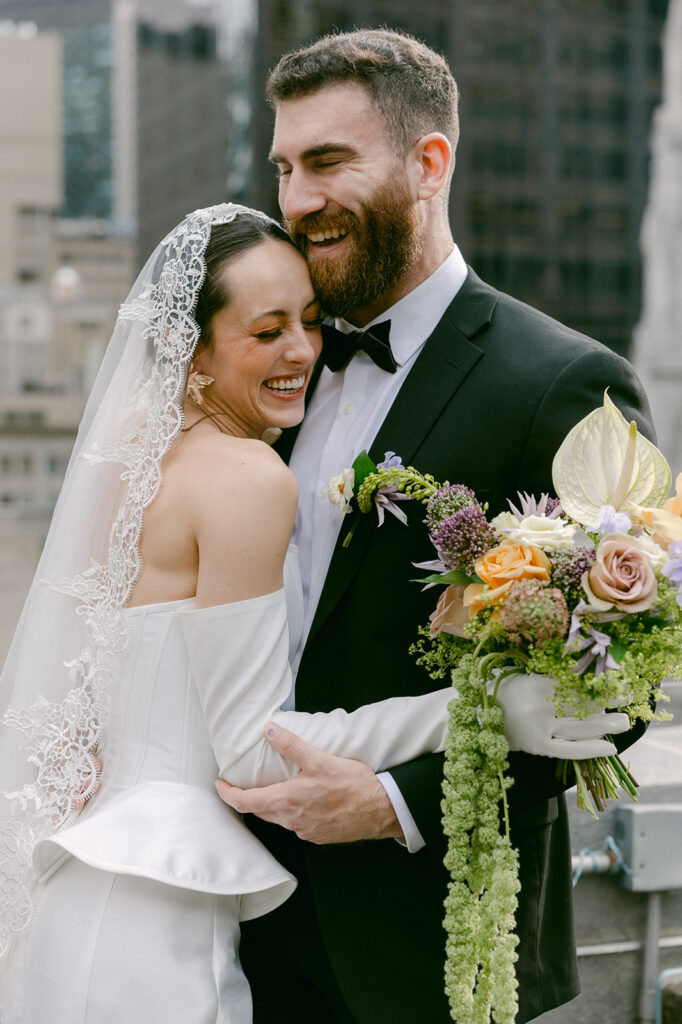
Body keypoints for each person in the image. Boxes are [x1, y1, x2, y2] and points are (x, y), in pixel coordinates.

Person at [215, 29, 657, 1024]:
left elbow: (620, 684)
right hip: (244, 934)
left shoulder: (567, 382)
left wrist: (397, 802)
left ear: (427, 163)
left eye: (329, 161)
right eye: (284, 168)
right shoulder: (273, 364)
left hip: (434, 956)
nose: (297, 200)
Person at [0, 203, 501, 1022]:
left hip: (82, 883)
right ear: (190, 350)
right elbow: (258, 753)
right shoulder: (245, 476)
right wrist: (477, 708)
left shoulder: (131, 460)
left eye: (309, 321)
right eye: (266, 332)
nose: (302, 352)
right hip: (156, 913)